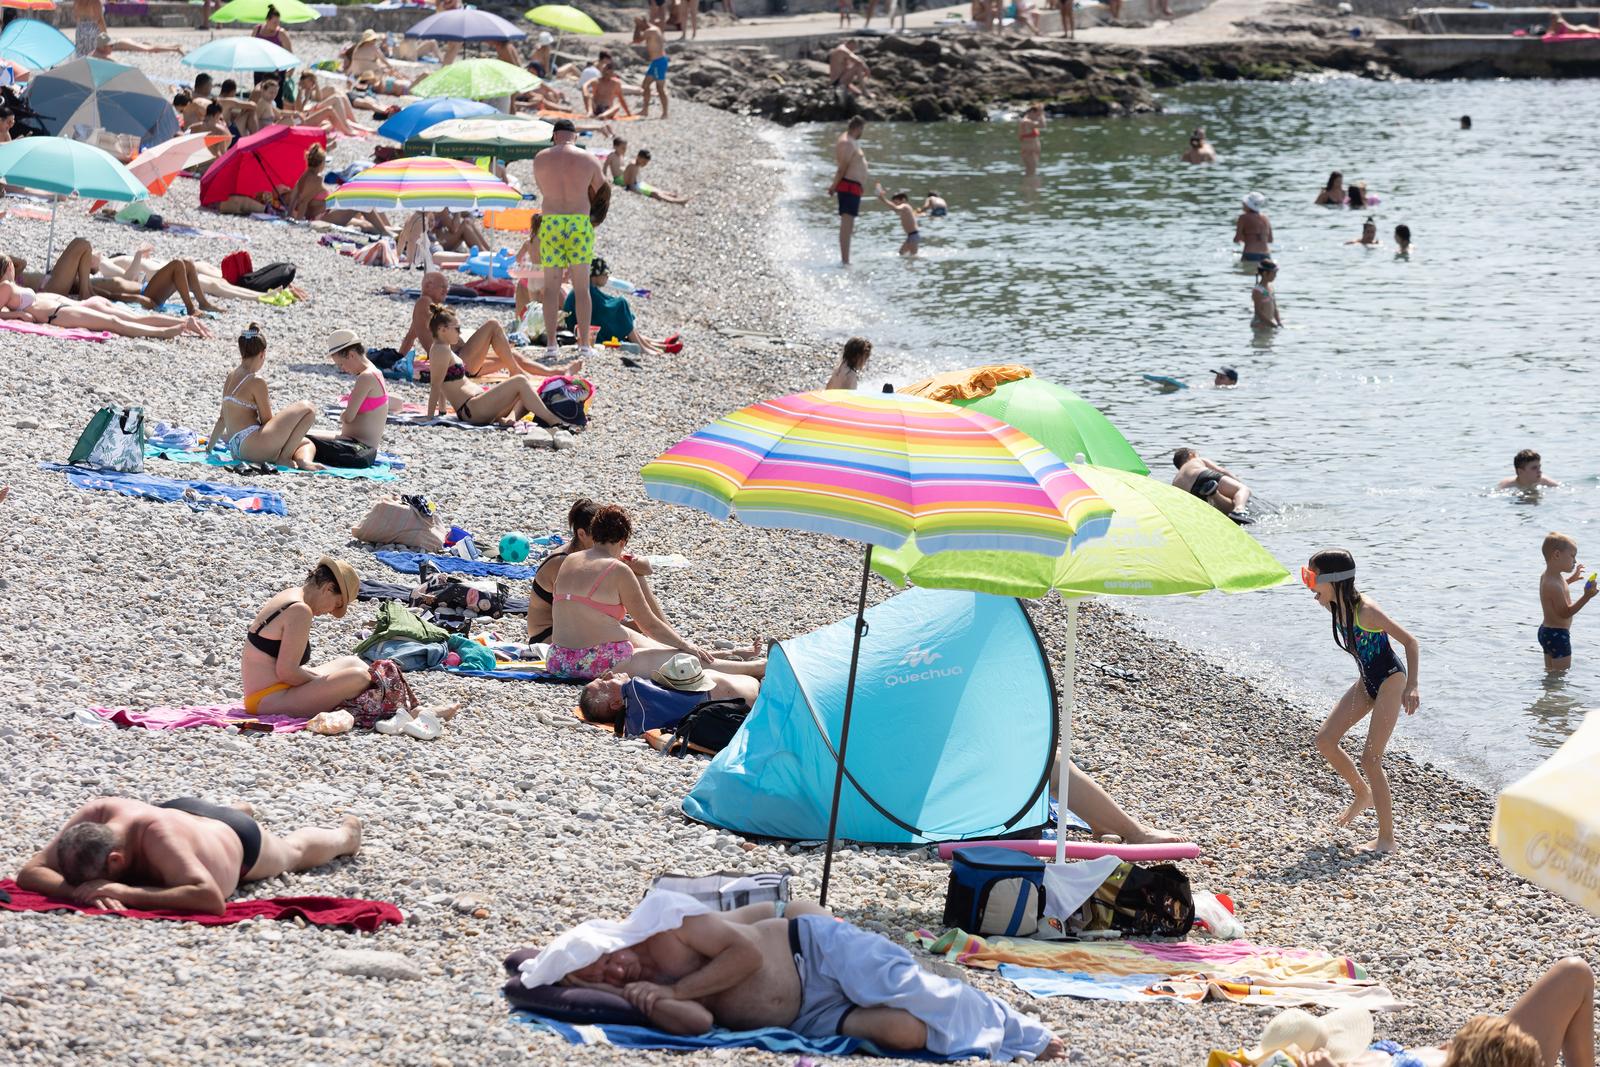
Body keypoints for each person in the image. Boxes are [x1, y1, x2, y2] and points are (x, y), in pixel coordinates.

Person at [536, 899, 1064, 1060]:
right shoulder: (631, 986)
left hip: (816, 952)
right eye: (598, 976)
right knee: (903, 1032)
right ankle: (982, 1029)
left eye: (605, 961)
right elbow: (695, 1023)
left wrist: (672, 988)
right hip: (808, 1016)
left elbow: (742, 957)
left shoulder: (672, 928)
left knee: (920, 991)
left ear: (613, 943)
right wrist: (616, 994)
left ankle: (1021, 1032)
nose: (613, 970)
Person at [14, 797, 363, 916]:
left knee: (293, 853)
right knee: (191, 830)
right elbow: (32, 871)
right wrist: (78, 891)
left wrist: (121, 892)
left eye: (95, 879)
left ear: (116, 861)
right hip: (181, 812)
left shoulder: (159, 840)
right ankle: (221, 810)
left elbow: (211, 898)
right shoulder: (98, 812)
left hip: (238, 841)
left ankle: (346, 836)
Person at [547, 505, 768, 682]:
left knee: (642, 640)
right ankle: (756, 668)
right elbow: (649, 625)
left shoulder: (569, 560)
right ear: (623, 542)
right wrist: (685, 644)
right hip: (593, 662)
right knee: (680, 658)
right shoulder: (618, 570)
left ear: (594, 534)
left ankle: (724, 655)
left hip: (558, 660)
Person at [242, 557, 461, 727]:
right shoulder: (300, 611)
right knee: (359, 677)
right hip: (267, 700)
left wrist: (322, 680)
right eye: (336, 603)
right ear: (328, 588)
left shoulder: (291, 595)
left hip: (266, 691)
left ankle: (414, 710)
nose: (330, 612)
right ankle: (414, 713)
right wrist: (319, 679)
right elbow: (287, 672)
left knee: (354, 662)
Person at [1303, 548, 1420, 855]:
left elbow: (1410, 641)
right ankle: (1362, 793)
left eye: (1311, 577)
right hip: (1367, 681)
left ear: (1333, 580)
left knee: (1371, 759)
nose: (1308, 584)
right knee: (1325, 740)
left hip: (1391, 681)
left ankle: (1387, 840)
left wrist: (1413, 686)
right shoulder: (1334, 607)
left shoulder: (1366, 611)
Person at [424, 304, 579, 429]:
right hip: (472, 409)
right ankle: (555, 421)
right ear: (442, 330)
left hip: (476, 406)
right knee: (520, 381)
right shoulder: (440, 350)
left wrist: (442, 412)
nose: (460, 332)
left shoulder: (444, 348)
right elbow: (436, 385)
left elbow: (443, 382)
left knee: (525, 392)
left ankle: (509, 419)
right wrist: (430, 417)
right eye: (457, 329)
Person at [401, 272, 577, 377]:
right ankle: (516, 373)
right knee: (492, 324)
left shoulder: (421, 310)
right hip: (456, 361)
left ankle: (555, 372)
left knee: (510, 353)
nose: (446, 292)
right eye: (443, 288)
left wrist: (396, 358)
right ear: (429, 285)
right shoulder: (425, 301)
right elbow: (446, 329)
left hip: (462, 363)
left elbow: (411, 337)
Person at [533, 118, 607, 361]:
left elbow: (543, 188)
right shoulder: (588, 159)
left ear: (554, 136)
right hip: (578, 223)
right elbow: (602, 189)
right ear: (574, 136)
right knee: (582, 287)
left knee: (551, 287)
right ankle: (584, 345)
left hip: (552, 222)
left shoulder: (541, 158)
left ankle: (552, 345)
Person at [0, 258, 210, 339]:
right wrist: (20, 314)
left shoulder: (10, 287)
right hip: (60, 312)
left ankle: (181, 323)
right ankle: (164, 331)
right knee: (117, 321)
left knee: (126, 318)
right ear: (7, 267)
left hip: (66, 308)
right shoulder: (6, 286)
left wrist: (19, 313)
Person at [207, 324, 323, 470]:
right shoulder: (256, 380)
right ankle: (284, 458)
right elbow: (267, 421)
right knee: (308, 408)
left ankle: (302, 461)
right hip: (253, 446)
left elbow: (222, 418)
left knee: (305, 443)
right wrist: (286, 424)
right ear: (262, 354)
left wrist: (208, 448)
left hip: (236, 450)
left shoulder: (231, 376)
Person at [577, 653, 763, 725]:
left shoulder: (643, 706)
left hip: (752, 693)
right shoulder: (638, 693)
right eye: (604, 682)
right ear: (617, 703)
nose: (608, 674)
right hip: (759, 697)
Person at [308, 329, 388, 468]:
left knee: (301, 438)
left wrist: (342, 415)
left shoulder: (366, 377)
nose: (343, 369)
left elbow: (348, 417)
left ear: (351, 355)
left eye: (341, 364)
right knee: (305, 432)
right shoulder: (375, 372)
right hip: (359, 447)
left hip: (357, 450)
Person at [561, 257, 670, 353]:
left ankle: (650, 343)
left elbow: (603, 303)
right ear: (595, 276)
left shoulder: (588, 288)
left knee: (621, 308)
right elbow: (605, 305)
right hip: (581, 329)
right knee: (621, 306)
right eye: (605, 274)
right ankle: (644, 346)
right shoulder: (587, 289)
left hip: (581, 325)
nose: (607, 277)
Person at [1537, 532, 1594, 672]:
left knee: (1551, 672)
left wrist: (1571, 580)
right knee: (1560, 676)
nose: (1575, 561)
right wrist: (1587, 596)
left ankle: (1548, 693)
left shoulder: (1549, 576)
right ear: (1557, 555)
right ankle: (1556, 694)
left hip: (1547, 632)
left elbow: (1557, 591)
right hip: (1558, 635)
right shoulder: (1554, 584)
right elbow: (1565, 612)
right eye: (1572, 556)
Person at [830, 117, 869, 266]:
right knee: (847, 224)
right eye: (862, 129)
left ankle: (846, 259)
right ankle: (845, 260)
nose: (862, 132)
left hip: (854, 186)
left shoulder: (851, 141)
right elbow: (842, 167)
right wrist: (834, 186)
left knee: (849, 224)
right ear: (857, 128)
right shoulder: (847, 142)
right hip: (848, 186)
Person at [1171, 447, 1252, 519]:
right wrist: (1237, 481)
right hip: (1202, 475)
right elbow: (1220, 470)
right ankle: (1239, 509)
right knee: (1243, 489)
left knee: (1230, 510)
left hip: (1192, 492)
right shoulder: (1195, 460)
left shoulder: (1176, 480)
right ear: (1191, 454)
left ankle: (1213, 493)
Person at [251, 6, 294, 105]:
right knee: (258, 95)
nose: (277, 25)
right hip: (259, 68)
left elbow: (290, 54)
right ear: (267, 20)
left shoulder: (281, 34)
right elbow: (251, 48)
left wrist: (290, 71)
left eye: (278, 22)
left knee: (276, 99)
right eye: (274, 22)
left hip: (276, 72)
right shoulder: (257, 30)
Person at [621, 150, 689, 204]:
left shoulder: (635, 163)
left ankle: (668, 194)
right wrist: (636, 192)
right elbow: (630, 183)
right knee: (655, 194)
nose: (645, 164)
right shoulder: (633, 166)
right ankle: (675, 201)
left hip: (638, 183)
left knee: (657, 189)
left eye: (646, 163)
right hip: (633, 186)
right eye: (644, 162)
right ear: (638, 157)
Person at [634, 19, 670, 118]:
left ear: (644, 23)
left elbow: (636, 40)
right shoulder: (654, 29)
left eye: (641, 26)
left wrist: (637, 27)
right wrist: (638, 25)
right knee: (645, 85)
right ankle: (645, 110)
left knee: (660, 88)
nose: (640, 29)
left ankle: (665, 113)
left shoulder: (651, 31)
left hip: (659, 62)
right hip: (655, 62)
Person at [873, 186, 921, 257]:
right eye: (894, 202)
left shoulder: (905, 206)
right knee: (901, 253)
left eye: (896, 202)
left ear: (903, 200)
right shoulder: (904, 209)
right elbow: (895, 208)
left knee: (913, 256)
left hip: (913, 235)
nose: (895, 204)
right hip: (911, 235)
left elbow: (895, 208)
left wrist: (883, 199)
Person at [1233, 191, 1273, 264]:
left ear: (1248, 205)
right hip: (1266, 255)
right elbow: (1270, 240)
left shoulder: (1243, 218)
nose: (1242, 204)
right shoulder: (1266, 218)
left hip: (1250, 254)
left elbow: (1237, 239)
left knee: (1245, 274)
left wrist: (1247, 238)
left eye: (1244, 203)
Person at [1251, 259, 1282, 329]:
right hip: (1259, 326)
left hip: (1269, 324)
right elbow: (1258, 312)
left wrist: (1279, 322)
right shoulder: (1257, 290)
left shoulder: (1270, 287)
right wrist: (1273, 325)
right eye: (1273, 273)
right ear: (1265, 273)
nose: (1275, 276)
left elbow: (1275, 308)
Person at [1018, 104, 1043, 176]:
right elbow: (1042, 125)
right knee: (1031, 171)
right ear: (1032, 112)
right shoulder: (1026, 122)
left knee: (1032, 171)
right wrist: (1041, 113)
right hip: (1029, 150)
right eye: (1037, 115)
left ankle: (1030, 185)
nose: (1038, 117)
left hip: (1032, 149)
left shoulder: (1030, 122)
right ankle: (1029, 185)